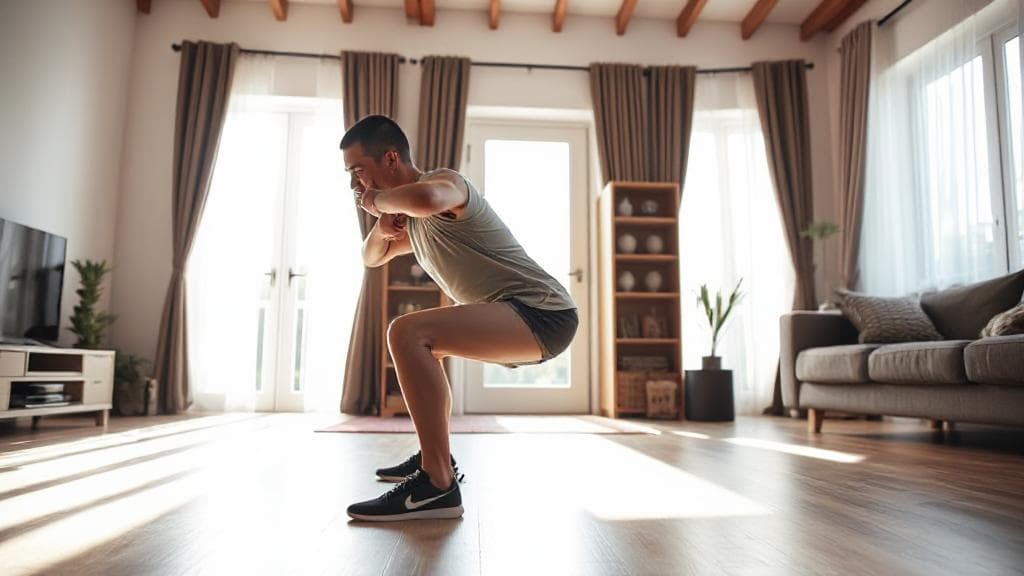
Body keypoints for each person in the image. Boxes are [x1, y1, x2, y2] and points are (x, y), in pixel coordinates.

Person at [342, 115, 578, 521]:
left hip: (543, 313)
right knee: (418, 343)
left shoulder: (446, 183)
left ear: (391, 158)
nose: (353, 185)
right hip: (518, 316)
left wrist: (377, 202)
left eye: (357, 172)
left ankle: (436, 485)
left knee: (406, 332)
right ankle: (437, 460)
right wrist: (382, 228)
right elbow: (371, 259)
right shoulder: (412, 225)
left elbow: (429, 199)